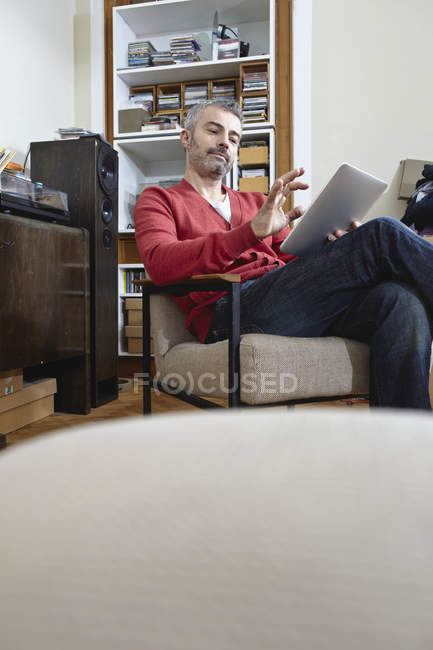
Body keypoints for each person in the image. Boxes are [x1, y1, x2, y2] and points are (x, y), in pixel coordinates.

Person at [134, 99, 433, 409]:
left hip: (283, 299)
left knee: (401, 301)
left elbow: (293, 263)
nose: (225, 142)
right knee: (382, 233)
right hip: (228, 310)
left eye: (234, 138)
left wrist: (336, 248)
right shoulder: (158, 199)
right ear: (186, 138)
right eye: (214, 131)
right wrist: (248, 233)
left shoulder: (255, 202)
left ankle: (407, 446)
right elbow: (160, 262)